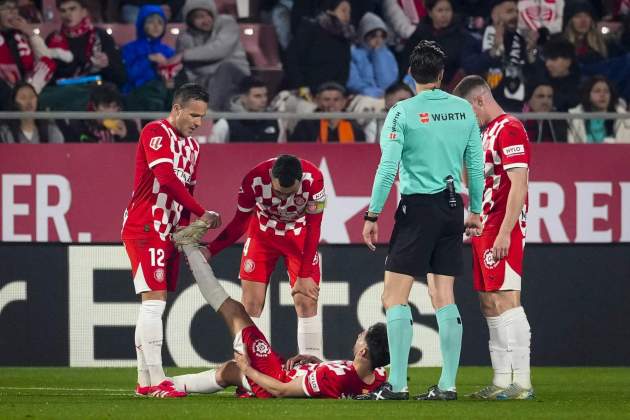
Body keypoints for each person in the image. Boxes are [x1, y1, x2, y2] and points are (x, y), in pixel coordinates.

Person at [358, 40, 484, 401]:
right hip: (451, 208)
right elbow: (474, 165)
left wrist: (372, 214)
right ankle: (447, 385)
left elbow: (387, 168)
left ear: (411, 74)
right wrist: (474, 210)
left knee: (394, 295)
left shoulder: (401, 112)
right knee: (443, 295)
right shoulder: (463, 110)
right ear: (442, 75)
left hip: (418, 209)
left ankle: (396, 384)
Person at [165, 233, 389, 399]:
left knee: (234, 311)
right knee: (229, 371)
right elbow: (350, 382)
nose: (359, 334)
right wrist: (317, 364)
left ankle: (189, 248)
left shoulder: (333, 380)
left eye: (364, 335)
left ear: (363, 351)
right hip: (286, 371)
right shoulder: (377, 376)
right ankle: (167, 384)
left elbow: (280, 391)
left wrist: (248, 369)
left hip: (275, 377)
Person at [121, 83, 221, 398]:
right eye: (193, 115)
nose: (197, 123)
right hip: (146, 225)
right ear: (176, 109)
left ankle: (144, 382)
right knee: (153, 303)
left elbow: (186, 191)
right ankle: (158, 380)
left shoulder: (193, 147)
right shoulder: (155, 132)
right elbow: (165, 178)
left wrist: (187, 233)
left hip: (170, 232)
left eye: (202, 118)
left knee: (155, 304)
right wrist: (203, 213)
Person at [453, 75, 534, 400]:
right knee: (489, 301)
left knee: (507, 298)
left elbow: (519, 184)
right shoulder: (486, 134)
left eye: (466, 111)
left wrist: (504, 232)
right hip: (484, 227)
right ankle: (502, 380)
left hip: (504, 227)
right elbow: (474, 178)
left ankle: (523, 382)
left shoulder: (509, 127)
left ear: (479, 100)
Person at [200, 155, 326, 359]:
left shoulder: (315, 180)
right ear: (270, 176)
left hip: (299, 236)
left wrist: (304, 275)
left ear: (301, 179)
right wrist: (211, 249)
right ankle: (249, 369)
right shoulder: (254, 179)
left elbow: (314, 227)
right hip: (263, 234)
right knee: (250, 304)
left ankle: (311, 369)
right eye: (278, 192)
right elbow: (239, 223)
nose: (284, 199)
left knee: (306, 300)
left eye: (290, 194)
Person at [40, 0, 127, 110]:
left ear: (84, 12)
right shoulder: (53, 39)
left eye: (72, 9)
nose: (68, 14)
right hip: (63, 91)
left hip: (94, 91)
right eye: (63, 10)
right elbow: (47, 76)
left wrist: (106, 65)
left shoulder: (101, 37)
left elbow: (121, 77)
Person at [462, 0, 538, 111]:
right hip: (482, 109)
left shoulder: (522, 40)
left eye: (517, 12)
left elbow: (534, 75)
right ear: (495, 15)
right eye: (509, 11)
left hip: (515, 108)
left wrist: (531, 52)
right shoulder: (476, 39)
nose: (515, 16)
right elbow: (470, 68)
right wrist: (493, 51)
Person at [176, 0, 250, 111]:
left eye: (208, 15)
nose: (205, 20)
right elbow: (192, 71)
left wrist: (185, 55)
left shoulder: (227, 23)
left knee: (225, 68)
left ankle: (209, 112)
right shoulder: (186, 38)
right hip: (208, 82)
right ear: (190, 20)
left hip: (238, 76)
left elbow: (220, 49)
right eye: (199, 17)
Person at [285, 0, 354, 96]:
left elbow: (344, 70)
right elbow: (292, 60)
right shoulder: (309, 29)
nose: (347, 16)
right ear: (330, 11)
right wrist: (301, 87)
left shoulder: (345, 36)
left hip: (333, 93)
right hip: (304, 90)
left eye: (349, 12)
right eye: (343, 11)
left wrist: (337, 90)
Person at [122, 5, 183, 111]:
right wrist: (148, 59)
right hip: (137, 94)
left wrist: (171, 81)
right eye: (151, 22)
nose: (156, 26)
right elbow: (128, 75)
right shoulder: (130, 48)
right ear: (142, 24)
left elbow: (175, 75)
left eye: (160, 22)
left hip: (162, 95)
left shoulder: (169, 51)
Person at [402, 0, 472, 90]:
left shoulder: (460, 35)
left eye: (448, 10)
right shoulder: (420, 34)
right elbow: (408, 60)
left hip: (451, 86)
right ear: (430, 13)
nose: (444, 15)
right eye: (440, 10)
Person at [0, 0, 56, 107]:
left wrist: (30, 33)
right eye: (6, 8)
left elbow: (47, 59)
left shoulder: (19, 35)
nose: (12, 12)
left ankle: (27, 95)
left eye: (14, 8)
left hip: (27, 87)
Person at [210, 77, 284, 143]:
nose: (264, 100)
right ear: (243, 98)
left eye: (265, 95)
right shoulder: (225, 123)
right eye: (257, 96)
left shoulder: (274, 121)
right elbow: (215, 153)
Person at [59, 82, 139, 142]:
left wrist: (125, 136)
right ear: (94, 106)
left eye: (114, 107)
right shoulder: (80, 125)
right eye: (106, 107)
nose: (111, 112)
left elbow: (135, 157)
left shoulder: (129, 126)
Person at [290, 82, 365, 143]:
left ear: (343, 102)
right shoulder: (305, 126)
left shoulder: (354, 126)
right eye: (326, 99)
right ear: (317, 101)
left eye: (336, 100)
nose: (331, 104)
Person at [347, 12, 398, 99]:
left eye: (381, 36)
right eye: (374, 36)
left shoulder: (388, 55)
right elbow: (353, 82)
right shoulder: (353, 53)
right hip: (361, 96)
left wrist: (378, 55)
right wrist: (374, 93)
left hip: (387, 96)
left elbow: (388, 82)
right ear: (363, 35)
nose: (378, 40)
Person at [568, 75, 630, 143]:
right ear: (588, 95)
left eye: (606, 91)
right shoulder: (574, 117)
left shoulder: (624, 119)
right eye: (597, 91)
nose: (602, 95)